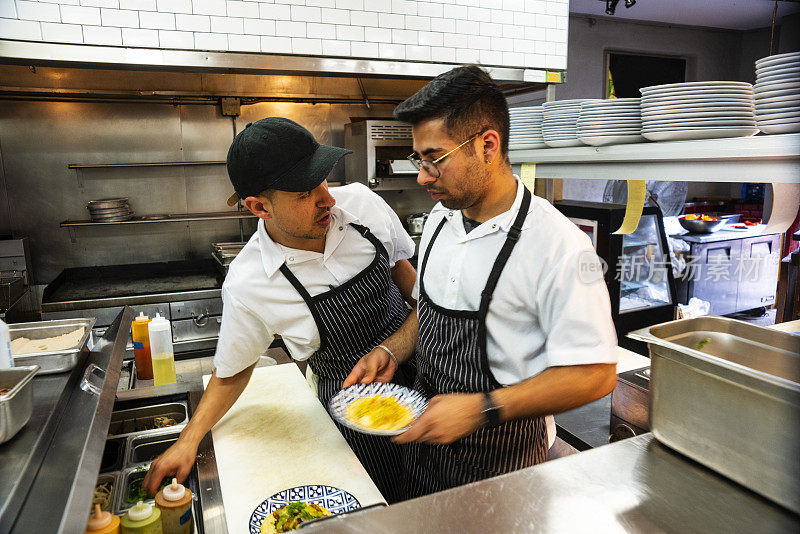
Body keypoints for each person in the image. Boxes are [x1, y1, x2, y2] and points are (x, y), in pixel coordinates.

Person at [344, 66, 619, 498]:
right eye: (419, 159)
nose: (422, 175)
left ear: (487, 145)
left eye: (435, 158)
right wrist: (391, 350)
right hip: (424, 444)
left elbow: (596, 374)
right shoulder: (438, 220)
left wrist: (481, 410)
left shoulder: (558, 245)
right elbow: (428, 310)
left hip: (503, 461)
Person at [143, 117, 417, 503]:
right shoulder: (250, 282)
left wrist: (409, 337)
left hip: (427, 377)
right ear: (259, 207)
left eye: (323, 178)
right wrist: (189, 440)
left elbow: (412, 287)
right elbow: (231, 372)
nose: (328, 198)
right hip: (351, 412)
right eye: (306, 192)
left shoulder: (364, 205)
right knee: (379, 505)